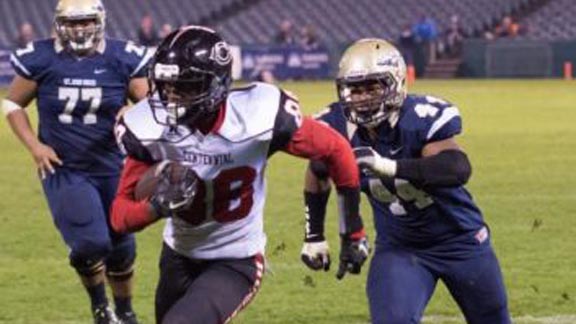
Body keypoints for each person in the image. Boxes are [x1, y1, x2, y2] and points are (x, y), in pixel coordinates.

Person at [110, 25, 369, 324]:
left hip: (236, 260)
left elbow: (336, 149)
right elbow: (119, 216)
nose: (171, 98)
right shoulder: (149, 128)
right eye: (166, 86)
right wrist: (156, 206)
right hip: (178, 256)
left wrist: (353, 231)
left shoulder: (258, 116)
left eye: (184, 86)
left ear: (216, 84)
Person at [301, 38, 511, 324]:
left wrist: (386, 165)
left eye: (373, 87)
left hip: (461, 240)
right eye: (355, 89)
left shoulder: (419, 118)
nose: (362, 98)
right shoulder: (336, 125)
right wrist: (315, 235)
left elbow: (456, 168)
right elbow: (317, 171)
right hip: (401, 248)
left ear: (397, 83)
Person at [2, 0, 152, 323]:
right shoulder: (42, 58)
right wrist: (35, 146)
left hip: (114, 165)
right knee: (90, 243)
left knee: (122, 246)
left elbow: (153, 105)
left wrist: (134, 112)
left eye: (85, 21)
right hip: (64, 166)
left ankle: (125, 313)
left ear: (99, 21)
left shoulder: (121, 57)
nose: (79, 29)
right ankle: (100, 308)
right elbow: (12, 104)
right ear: (59, 24)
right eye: (72, 23)